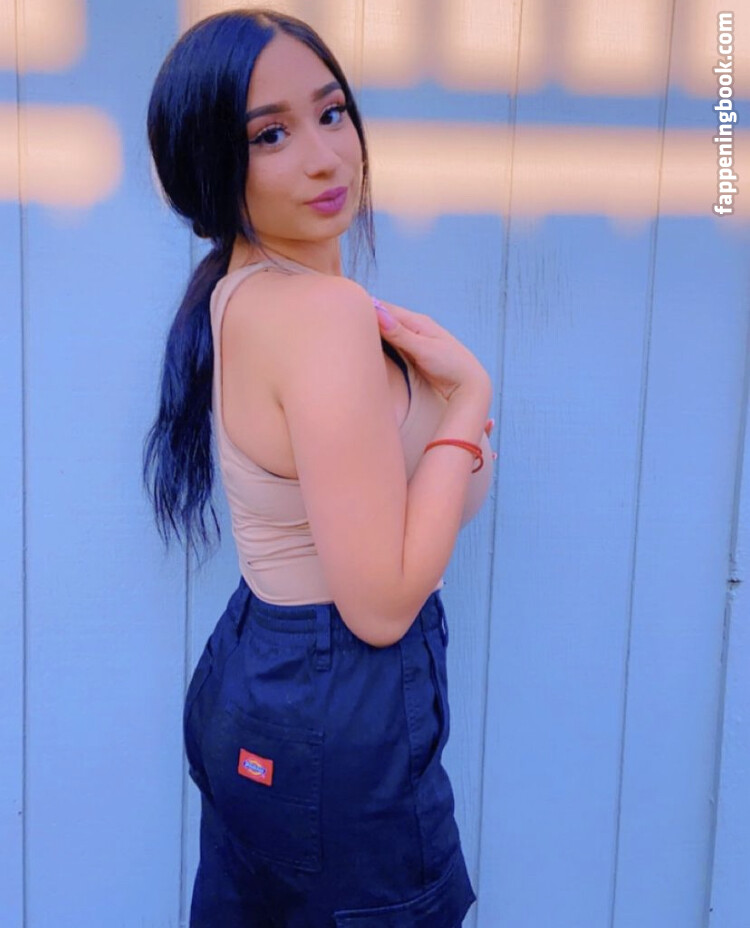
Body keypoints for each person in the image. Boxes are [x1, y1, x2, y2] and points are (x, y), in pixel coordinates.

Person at [143, 7, 495, 926]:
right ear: (210, 165)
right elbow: (381, 606)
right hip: (340, 700)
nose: (325, 157)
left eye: (331, 113)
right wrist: (467, 404)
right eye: (270, 135)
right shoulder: (323, 315)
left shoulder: (239, 295)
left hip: (259, 678)